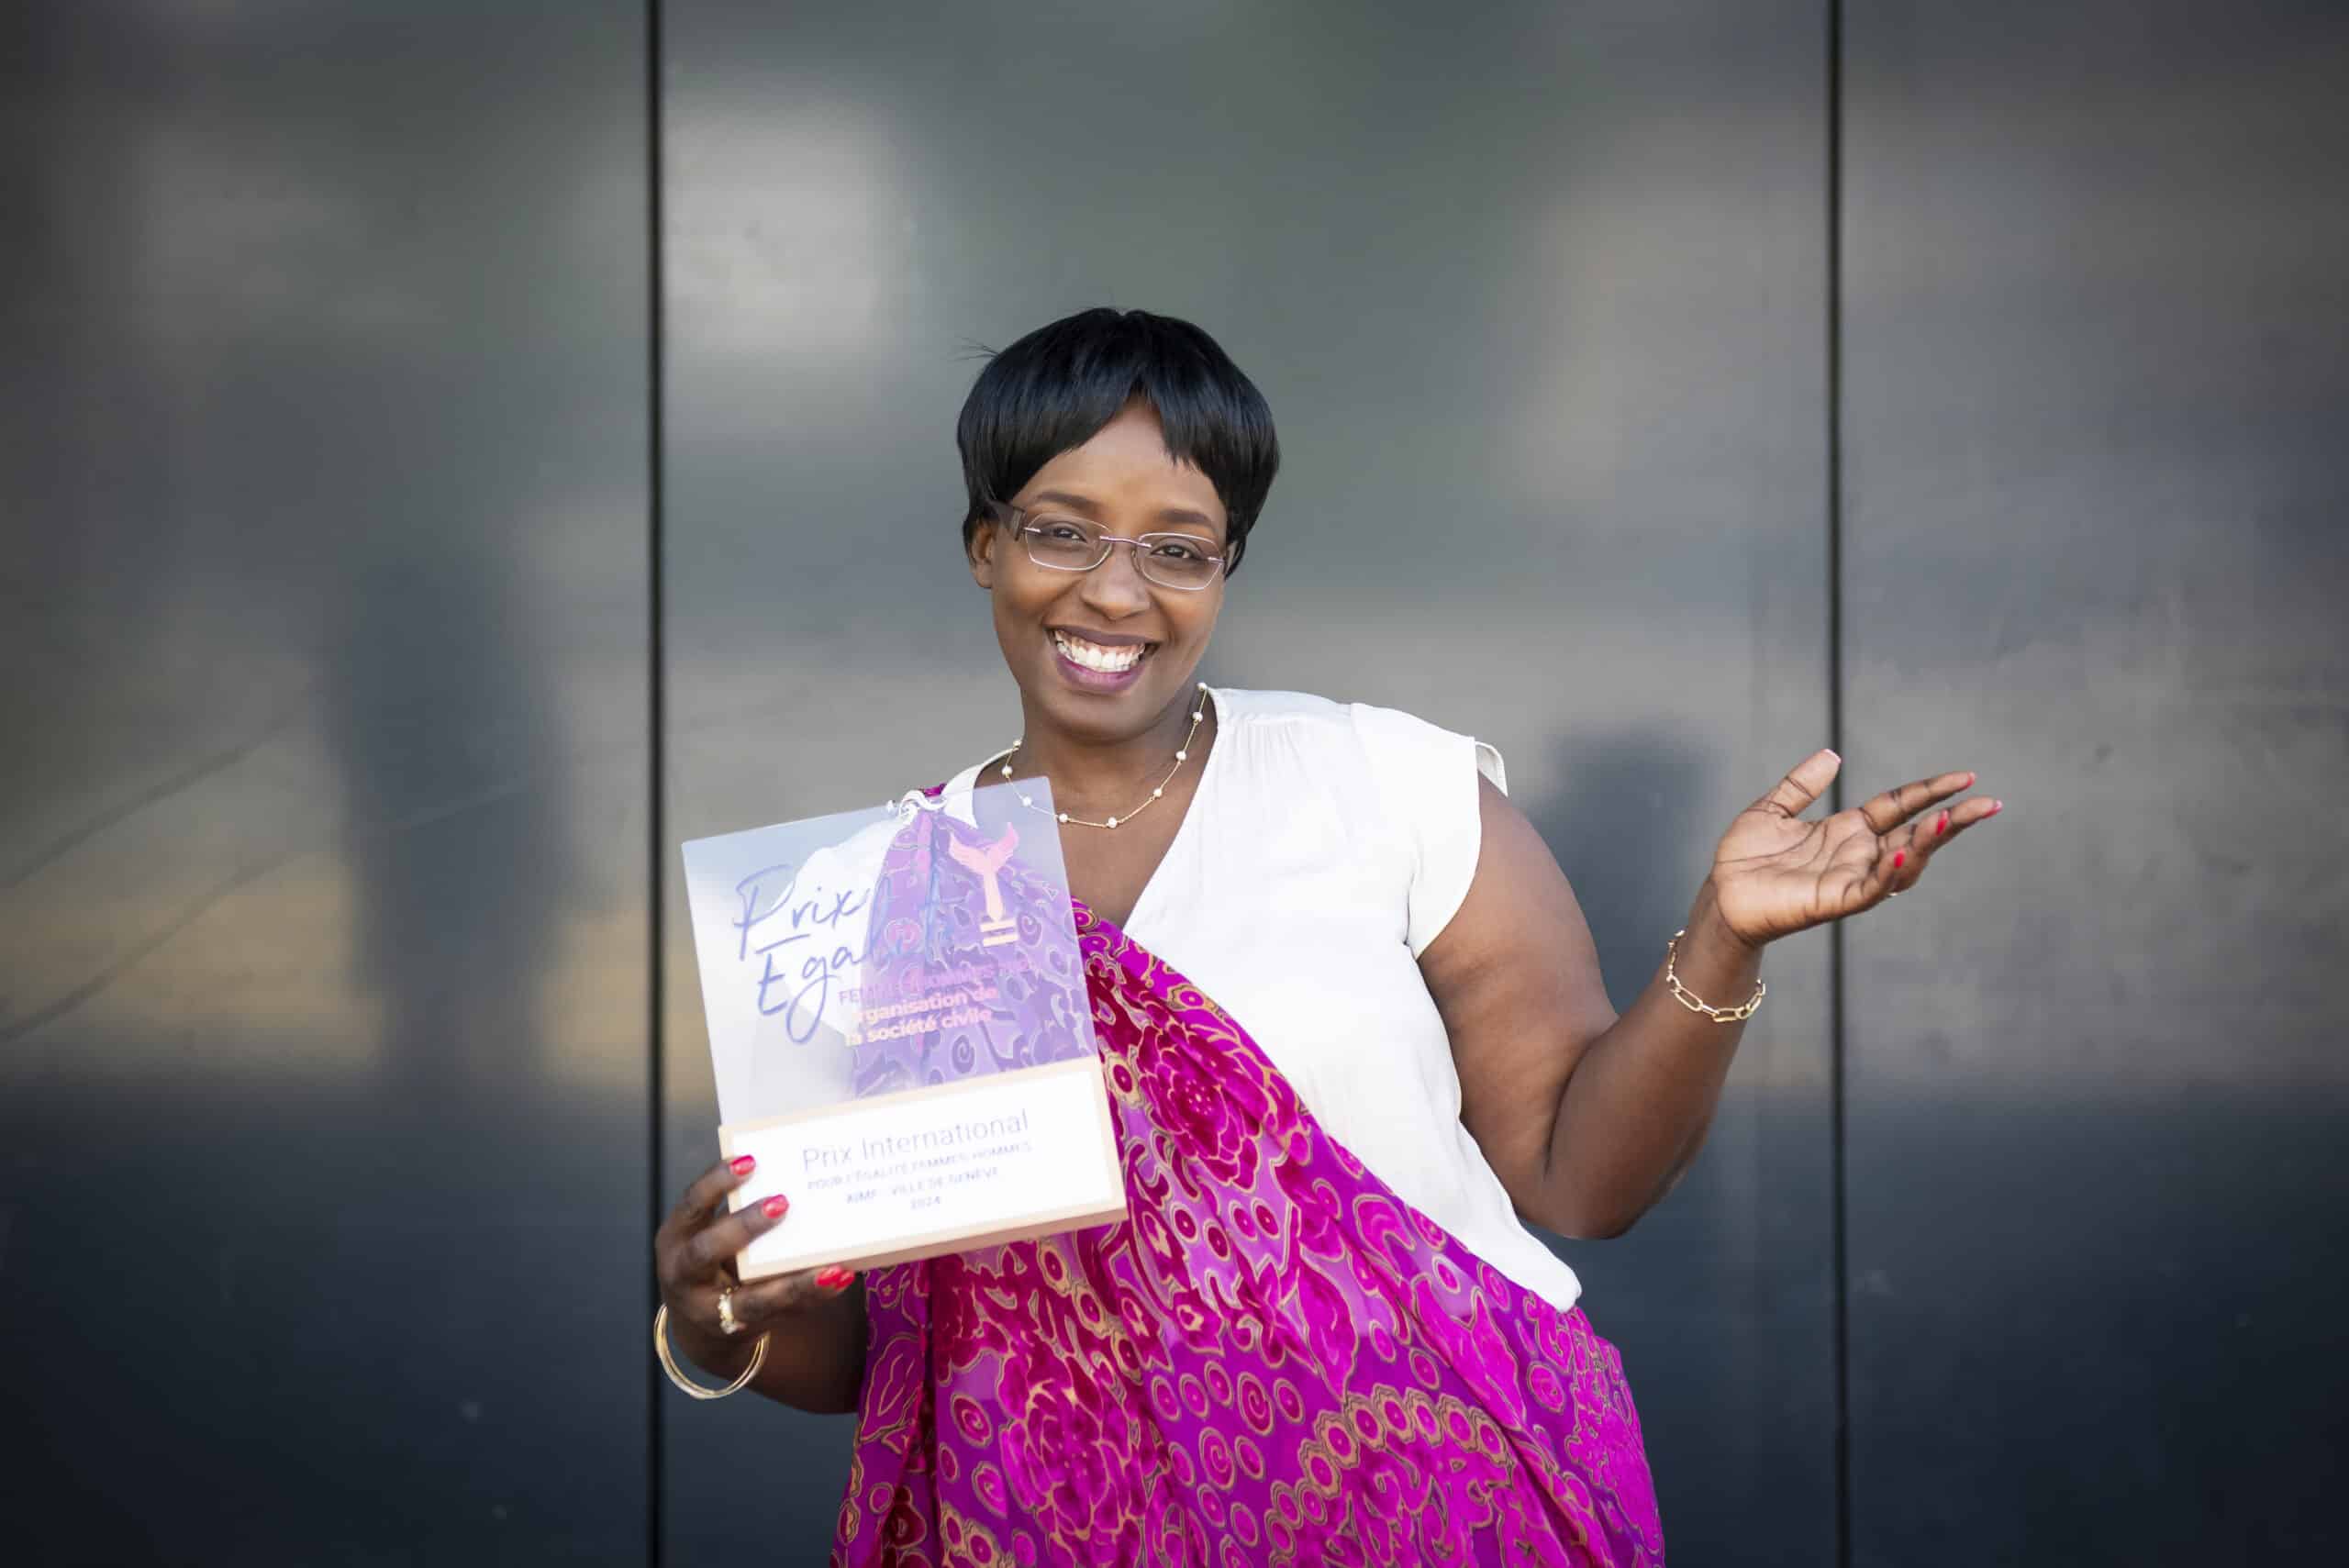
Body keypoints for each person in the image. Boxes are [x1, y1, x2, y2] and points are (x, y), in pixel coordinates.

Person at [652, 308, 2000, 1565]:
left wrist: (1722, 939)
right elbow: (879, 1353)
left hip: (1435, 1506)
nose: (1117, 592)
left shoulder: (1381, 784)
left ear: (1225, 568)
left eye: (1177, 547)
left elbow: (1582, 1183)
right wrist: (721, 1313)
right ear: (983, 544)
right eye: (1063, 531)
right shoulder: (867, 899)